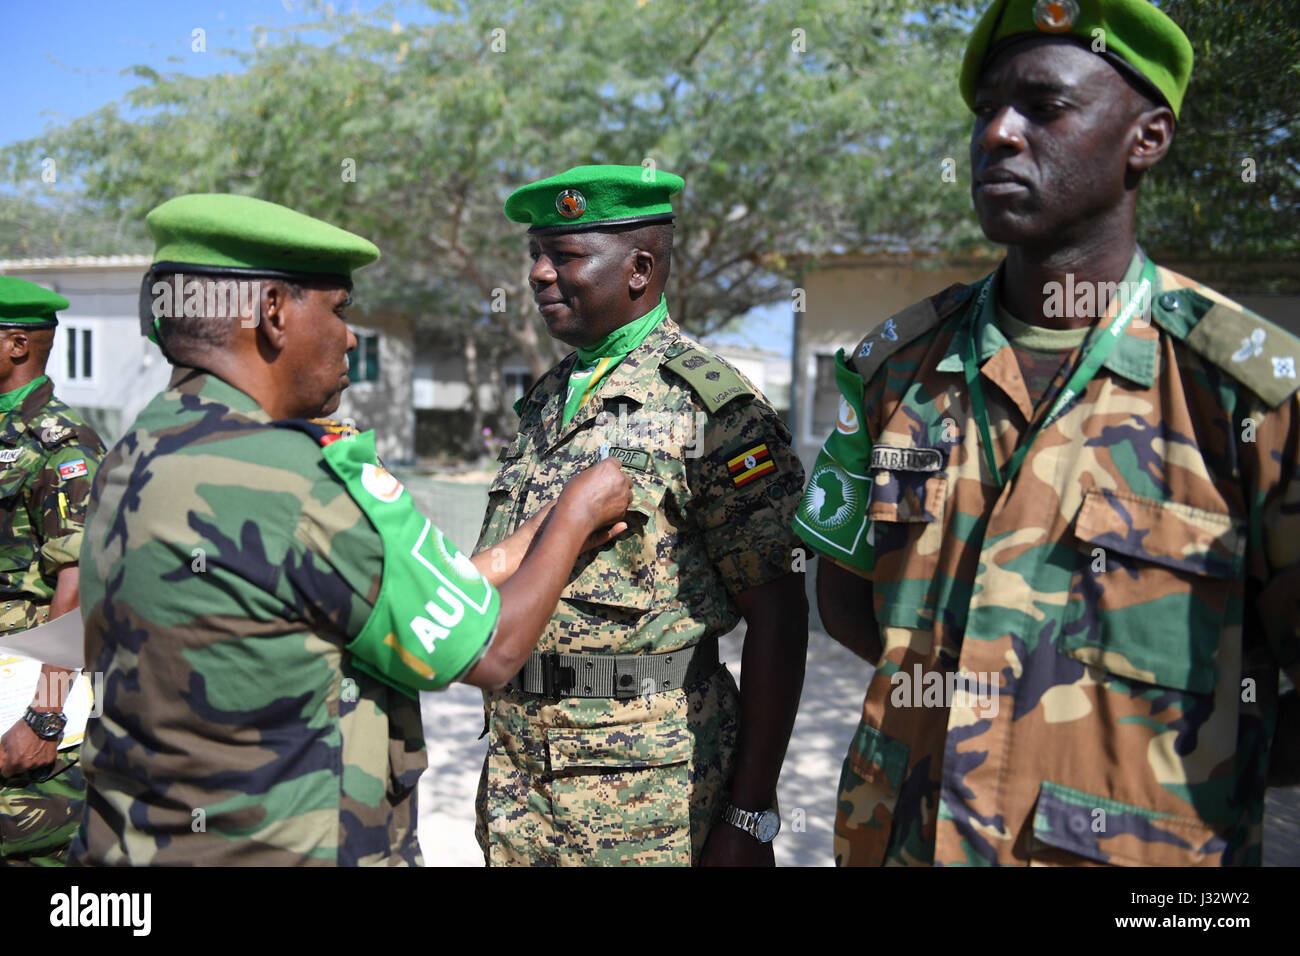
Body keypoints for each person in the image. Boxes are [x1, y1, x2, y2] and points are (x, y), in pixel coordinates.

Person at [799, 0, 1300, 866]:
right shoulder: (896, 367)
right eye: (987, 107)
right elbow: (846, 601)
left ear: (1146, 138)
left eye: (1044, 106)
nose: (996, 133)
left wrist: (1177, 778)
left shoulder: (1249, 393)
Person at [71, 193, 631, 866]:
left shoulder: (134, 452)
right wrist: (575, 514)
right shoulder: (298, 477)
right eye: (338, 311)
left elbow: (350, 591)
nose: (349, 337)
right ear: (274, 315)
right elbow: (494, 653)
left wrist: (521, 545)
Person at [475, 165, 808, 866]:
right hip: (519, 791)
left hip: (651, 807)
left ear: (640, 269)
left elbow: (778, 617)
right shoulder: (544, 399)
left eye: (563, 256)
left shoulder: (713, 410)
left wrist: (749, 816)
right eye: (535, 254)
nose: (538, 274)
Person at [0, 278, 105, 866]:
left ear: (18, 345)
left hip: (25, 701)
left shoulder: (64, 446)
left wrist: (43, 716)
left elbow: (81, 585)